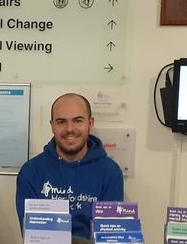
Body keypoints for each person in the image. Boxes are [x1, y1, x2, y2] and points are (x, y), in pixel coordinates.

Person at [15, 92, 125, 236]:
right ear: (52, 125)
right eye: (61, 122)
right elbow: (33, 237)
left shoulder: (110, 172)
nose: (69, 129)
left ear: (90, 124)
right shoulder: (30, 172)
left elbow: (109, 236)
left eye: (78, 120)